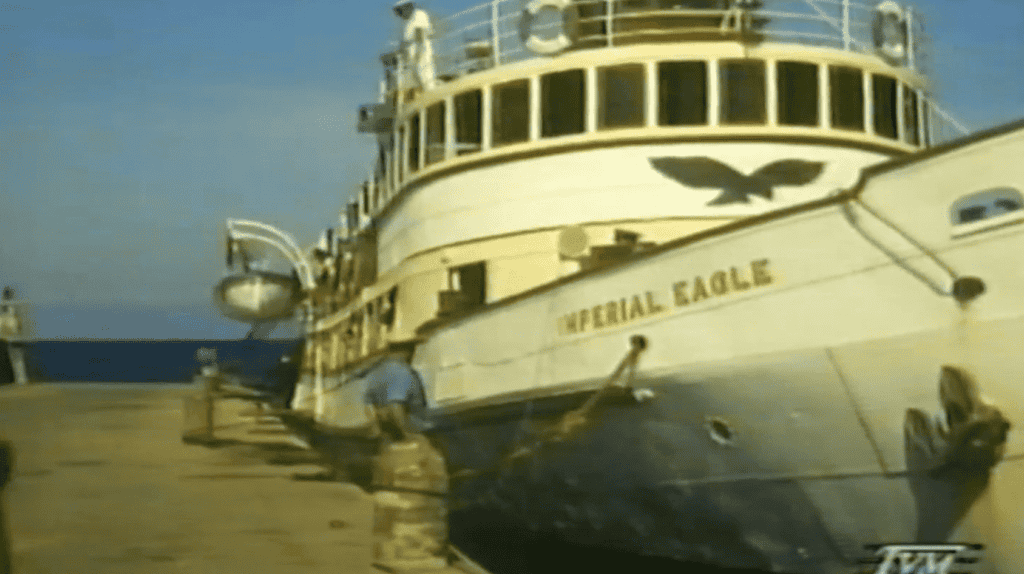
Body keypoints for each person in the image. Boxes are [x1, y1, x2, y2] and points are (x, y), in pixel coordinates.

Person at [393, 0, 436, 90]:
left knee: (426, 75)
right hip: (413, 56)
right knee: (418, 78)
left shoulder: (419, 15)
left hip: (421, 51)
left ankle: (431, 92)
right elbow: (406, 41)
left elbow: (419, 34)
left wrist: (417, 54)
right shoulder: (407, 24)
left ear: (407, 7)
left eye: (400, 11)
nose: (400, 15)